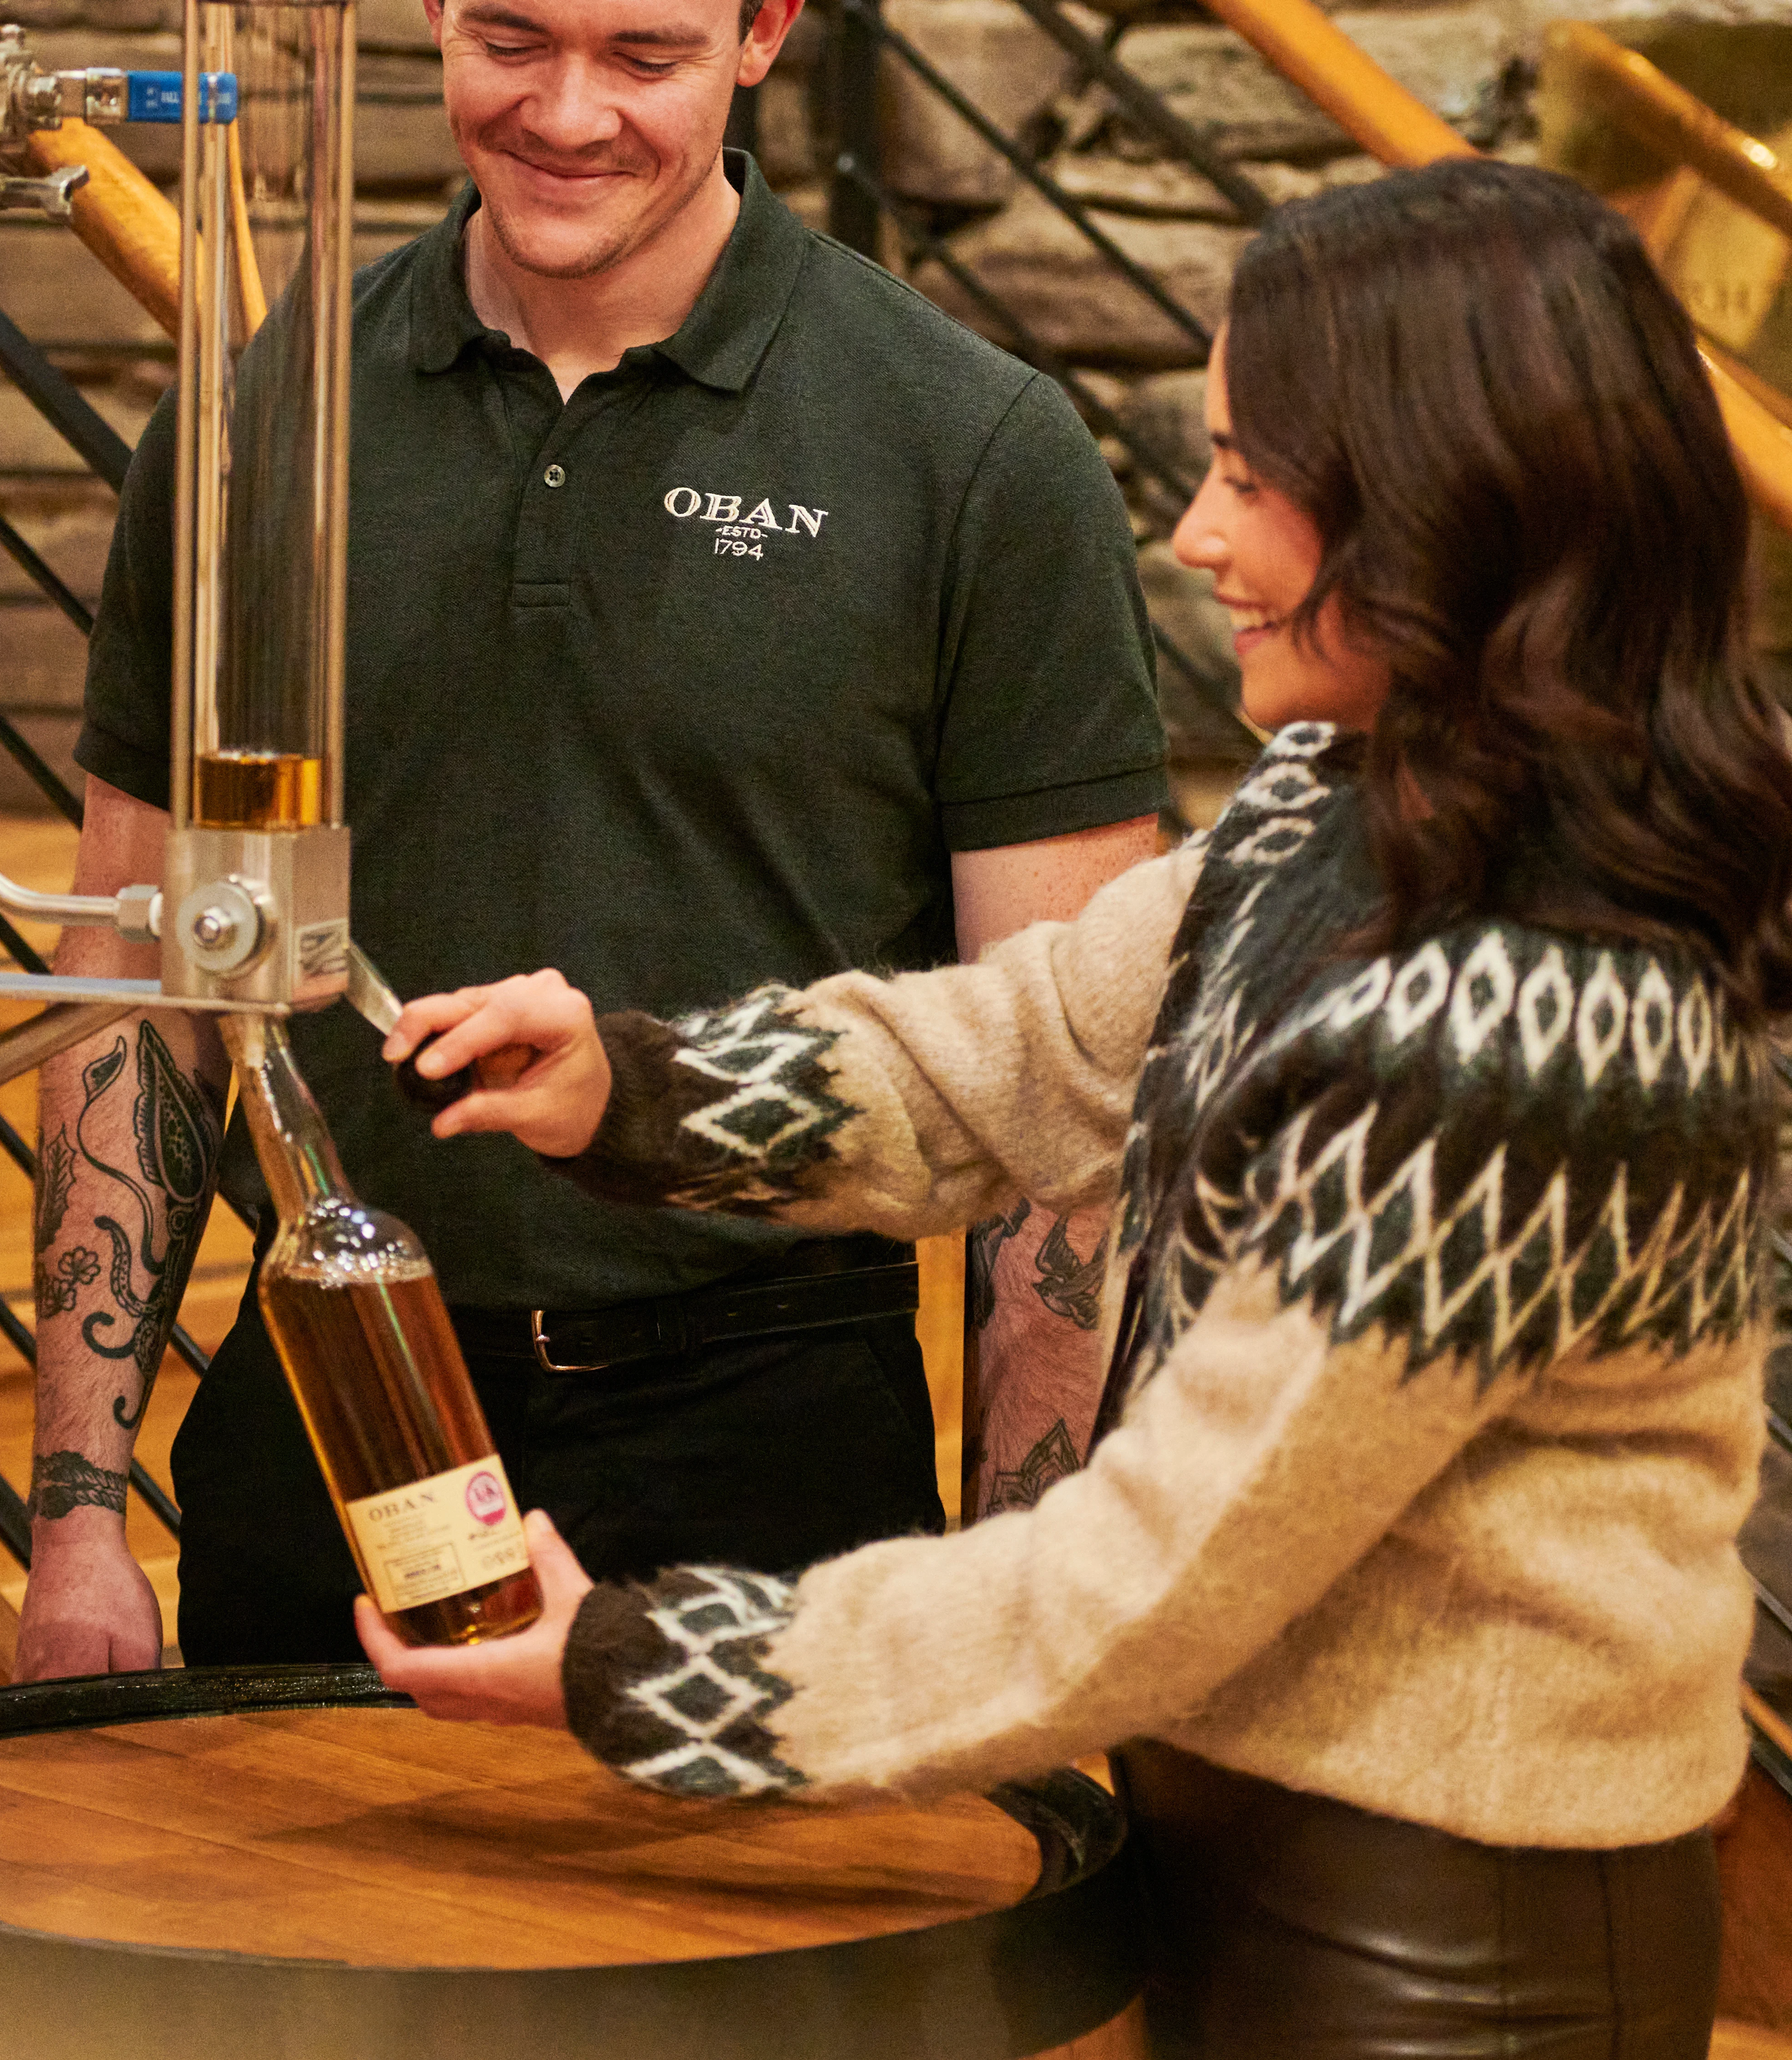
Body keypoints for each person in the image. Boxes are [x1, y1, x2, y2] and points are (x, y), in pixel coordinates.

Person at [357, 161, 1792, 2058]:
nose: (1194, 534)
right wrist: (630, 1084)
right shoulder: (1334, 800)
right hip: (1245, 1844)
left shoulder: (1528, 1020)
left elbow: (1152, 1569)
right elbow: (1023, 1051)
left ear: (1445, 506)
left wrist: (641, 1665)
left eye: (1249, 479)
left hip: (1452, 1944)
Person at [15, 0, 1168, 1679]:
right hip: (328, 1417)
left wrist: (1016, 1635)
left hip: (767, 1447)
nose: (566, 113)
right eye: (512, 39)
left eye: (643, 54)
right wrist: (73, 1519)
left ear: (764, 31)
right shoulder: (259, 410)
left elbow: (1064, 1092)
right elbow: (134, 961)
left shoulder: (978, 451)